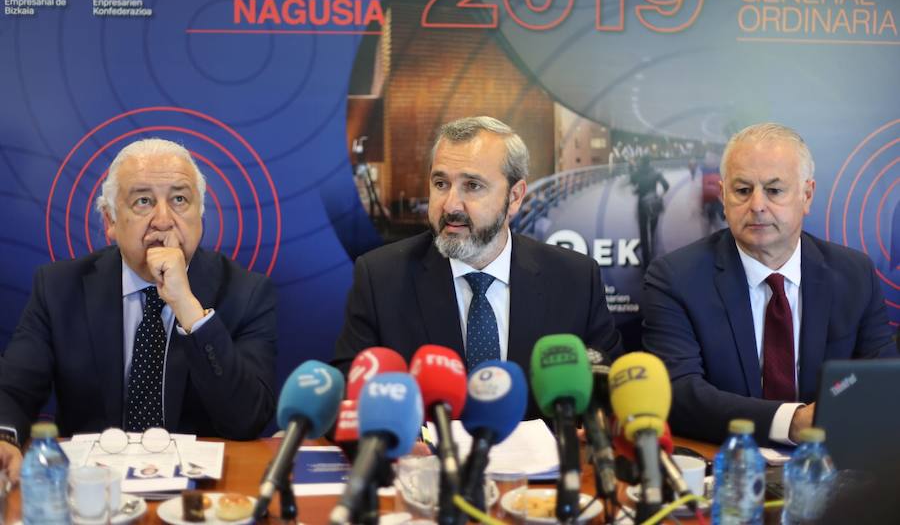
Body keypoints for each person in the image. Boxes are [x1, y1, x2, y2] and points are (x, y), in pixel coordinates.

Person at [0, 139, 278, 482]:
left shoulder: (247, 292)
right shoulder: (59, 287)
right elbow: (13, 388)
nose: (163, 220)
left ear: (200, 216)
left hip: (201, 495)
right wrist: (4, 437)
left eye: (179, 199)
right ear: (110, 221)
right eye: (143, 201)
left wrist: (188, 308)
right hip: (93, 490)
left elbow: (247, 419)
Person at [642, 123, 897, 444]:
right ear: (722, 196)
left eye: (774, 190)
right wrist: (793, 422)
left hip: (832, 467)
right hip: (724, 463)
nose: (758, 205)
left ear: (806, 195)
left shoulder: (854, 274)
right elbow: (679, 393)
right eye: (743, 190)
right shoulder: (675, 278)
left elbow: (882, 381)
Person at [334, 116, 622, 389]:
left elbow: (608, 391)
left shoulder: (575, 280)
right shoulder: (381, 279)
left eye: (472, 186)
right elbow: (349, 398)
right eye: (440, 184)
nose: (450, 206)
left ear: (515, 197)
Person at [630, 155, 669, 268]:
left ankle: (645, 259)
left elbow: (633, 182)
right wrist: (659, 196)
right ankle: (654, 255)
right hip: (653, 204)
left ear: (642, 161)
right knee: (653, 230)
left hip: (642, 205)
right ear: (650, 161)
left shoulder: (638, 172)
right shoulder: (656, 173)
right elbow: (666, 186)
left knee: (643, 232)